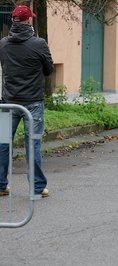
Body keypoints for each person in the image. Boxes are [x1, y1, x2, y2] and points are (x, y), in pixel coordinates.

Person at [0, 6, 54, 197]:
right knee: (33, 145)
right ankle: (37, 188)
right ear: (29, 21)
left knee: (3, 143)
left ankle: (0, 185)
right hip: (33, 102)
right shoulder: (39, 43)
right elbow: (49, 70)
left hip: (9, 102)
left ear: (12, 21)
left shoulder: (3, 44)